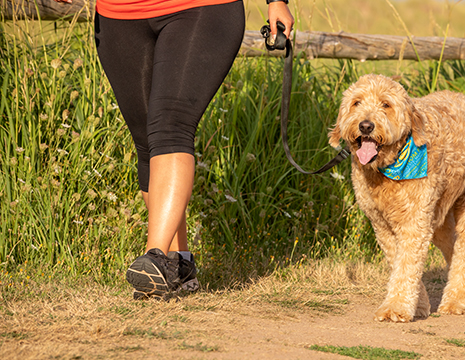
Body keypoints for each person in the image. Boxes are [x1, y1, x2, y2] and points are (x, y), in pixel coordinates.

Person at [54, 0, 294, 299]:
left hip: (200, 8)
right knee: (147, 141)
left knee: (170, 125)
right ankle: (178, 265)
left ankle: (154, 257)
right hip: (119, 14)